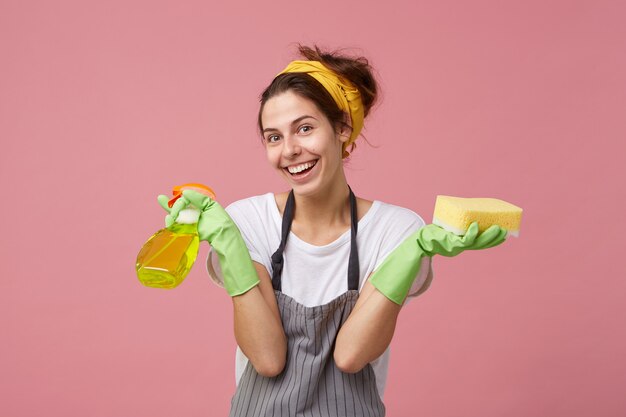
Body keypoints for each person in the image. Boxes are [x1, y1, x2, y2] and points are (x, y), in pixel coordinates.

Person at [160, 44, 507, 416]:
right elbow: (267, 358)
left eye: (305, 129)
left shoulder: (395, 230)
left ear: (342, 128)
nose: (290, 149)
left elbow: (351, 355)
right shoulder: (248, 220)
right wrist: (230, 244)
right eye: (274, 137)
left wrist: (414, 250)